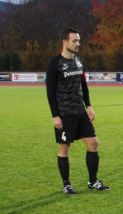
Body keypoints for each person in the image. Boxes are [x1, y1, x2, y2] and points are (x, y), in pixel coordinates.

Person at [45, 28, 110, 194]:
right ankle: (67, 184)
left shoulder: (79, 62)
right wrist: (55, 116)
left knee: (93, 143)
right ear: (65, 42)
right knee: (64, 149)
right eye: (74, 40)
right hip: (65, 114)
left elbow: (83, 85)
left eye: (79, 41)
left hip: (80, 112)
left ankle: (93, 181)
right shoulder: (55, 64)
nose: (78, 43)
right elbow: (50, 92)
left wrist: (88, 105)